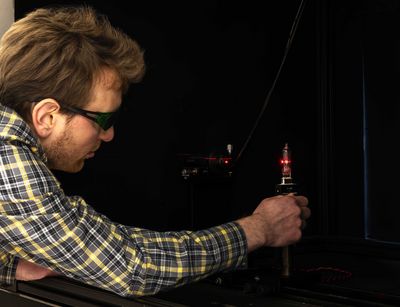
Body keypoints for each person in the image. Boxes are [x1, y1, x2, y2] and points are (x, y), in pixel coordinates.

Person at [0, 5, 310, 298]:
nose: (109, 135)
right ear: (46, 117)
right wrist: (258, 229)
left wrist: (7, 264)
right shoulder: (8, 159)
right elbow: (130, 266)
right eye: (103, 119)